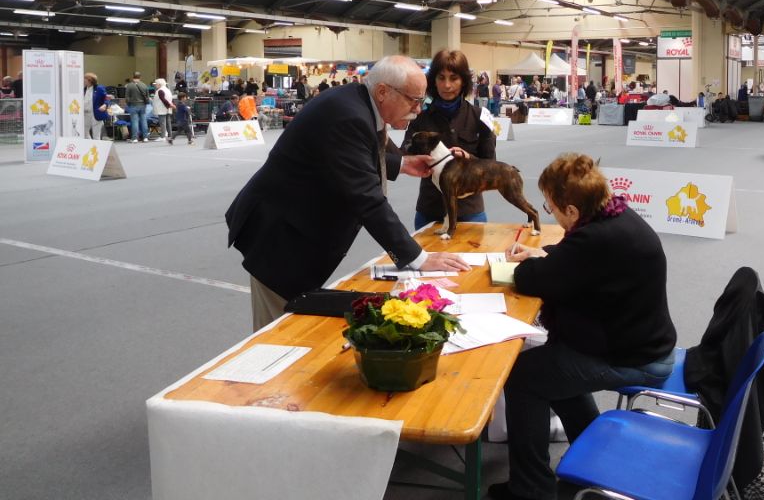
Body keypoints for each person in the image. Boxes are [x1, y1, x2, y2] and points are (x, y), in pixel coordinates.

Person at [225, 55, 470, 330]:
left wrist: (402, 163)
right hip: (281, 241)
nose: (417, 109)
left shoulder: (358, 104)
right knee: (278, 336)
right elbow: (366, 197)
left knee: (295, 329)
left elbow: (348, 156)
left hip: (297, 231)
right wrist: (419, 258)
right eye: (413, 100)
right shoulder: (349, 116)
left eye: (421, 101)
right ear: (382, 91)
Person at [492, 153, 676, 500]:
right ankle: (590, 450)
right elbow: (571, 262)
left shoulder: (595, 240)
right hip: (643, 343)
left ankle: (530, 490)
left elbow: (534, 279)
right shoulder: (616, 217)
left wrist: (531, 262)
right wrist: (543, 255)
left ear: (572, 211)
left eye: (551, 208)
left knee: (524, 377)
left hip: (637, 358)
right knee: (554, 364)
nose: (552, 215)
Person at [401, 49, 496, 231]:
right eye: (441, 77)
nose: (446, 85)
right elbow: (405, 152)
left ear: (464, 81)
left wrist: (469, 159)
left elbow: (490, 164)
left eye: (454, 78)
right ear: (433, 80)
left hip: (470, 211)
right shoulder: (420, 118)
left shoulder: (481, 117)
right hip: (429, 211)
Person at [124, 72, 150, 142]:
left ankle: (135, 138)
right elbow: (147, 96)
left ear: (133, 77)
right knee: (144, 121)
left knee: (134, 121)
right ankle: (145, 137)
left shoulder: (129, 85)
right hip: (143, 105)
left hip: (133, 105)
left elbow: (127, 97)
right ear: (140, 77)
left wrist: (129, 104)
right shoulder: (144, 85)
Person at [82, 73, 107, 139]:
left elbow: (106, 99)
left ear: (90, 80)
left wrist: (105, 105)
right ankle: (90, 146)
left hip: (95, 114)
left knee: (96, 135)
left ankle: (96, 148)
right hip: (85, 114)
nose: (83, 80)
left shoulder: (99, 88)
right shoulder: (83, 89)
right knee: (84, 133)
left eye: (85, 79)